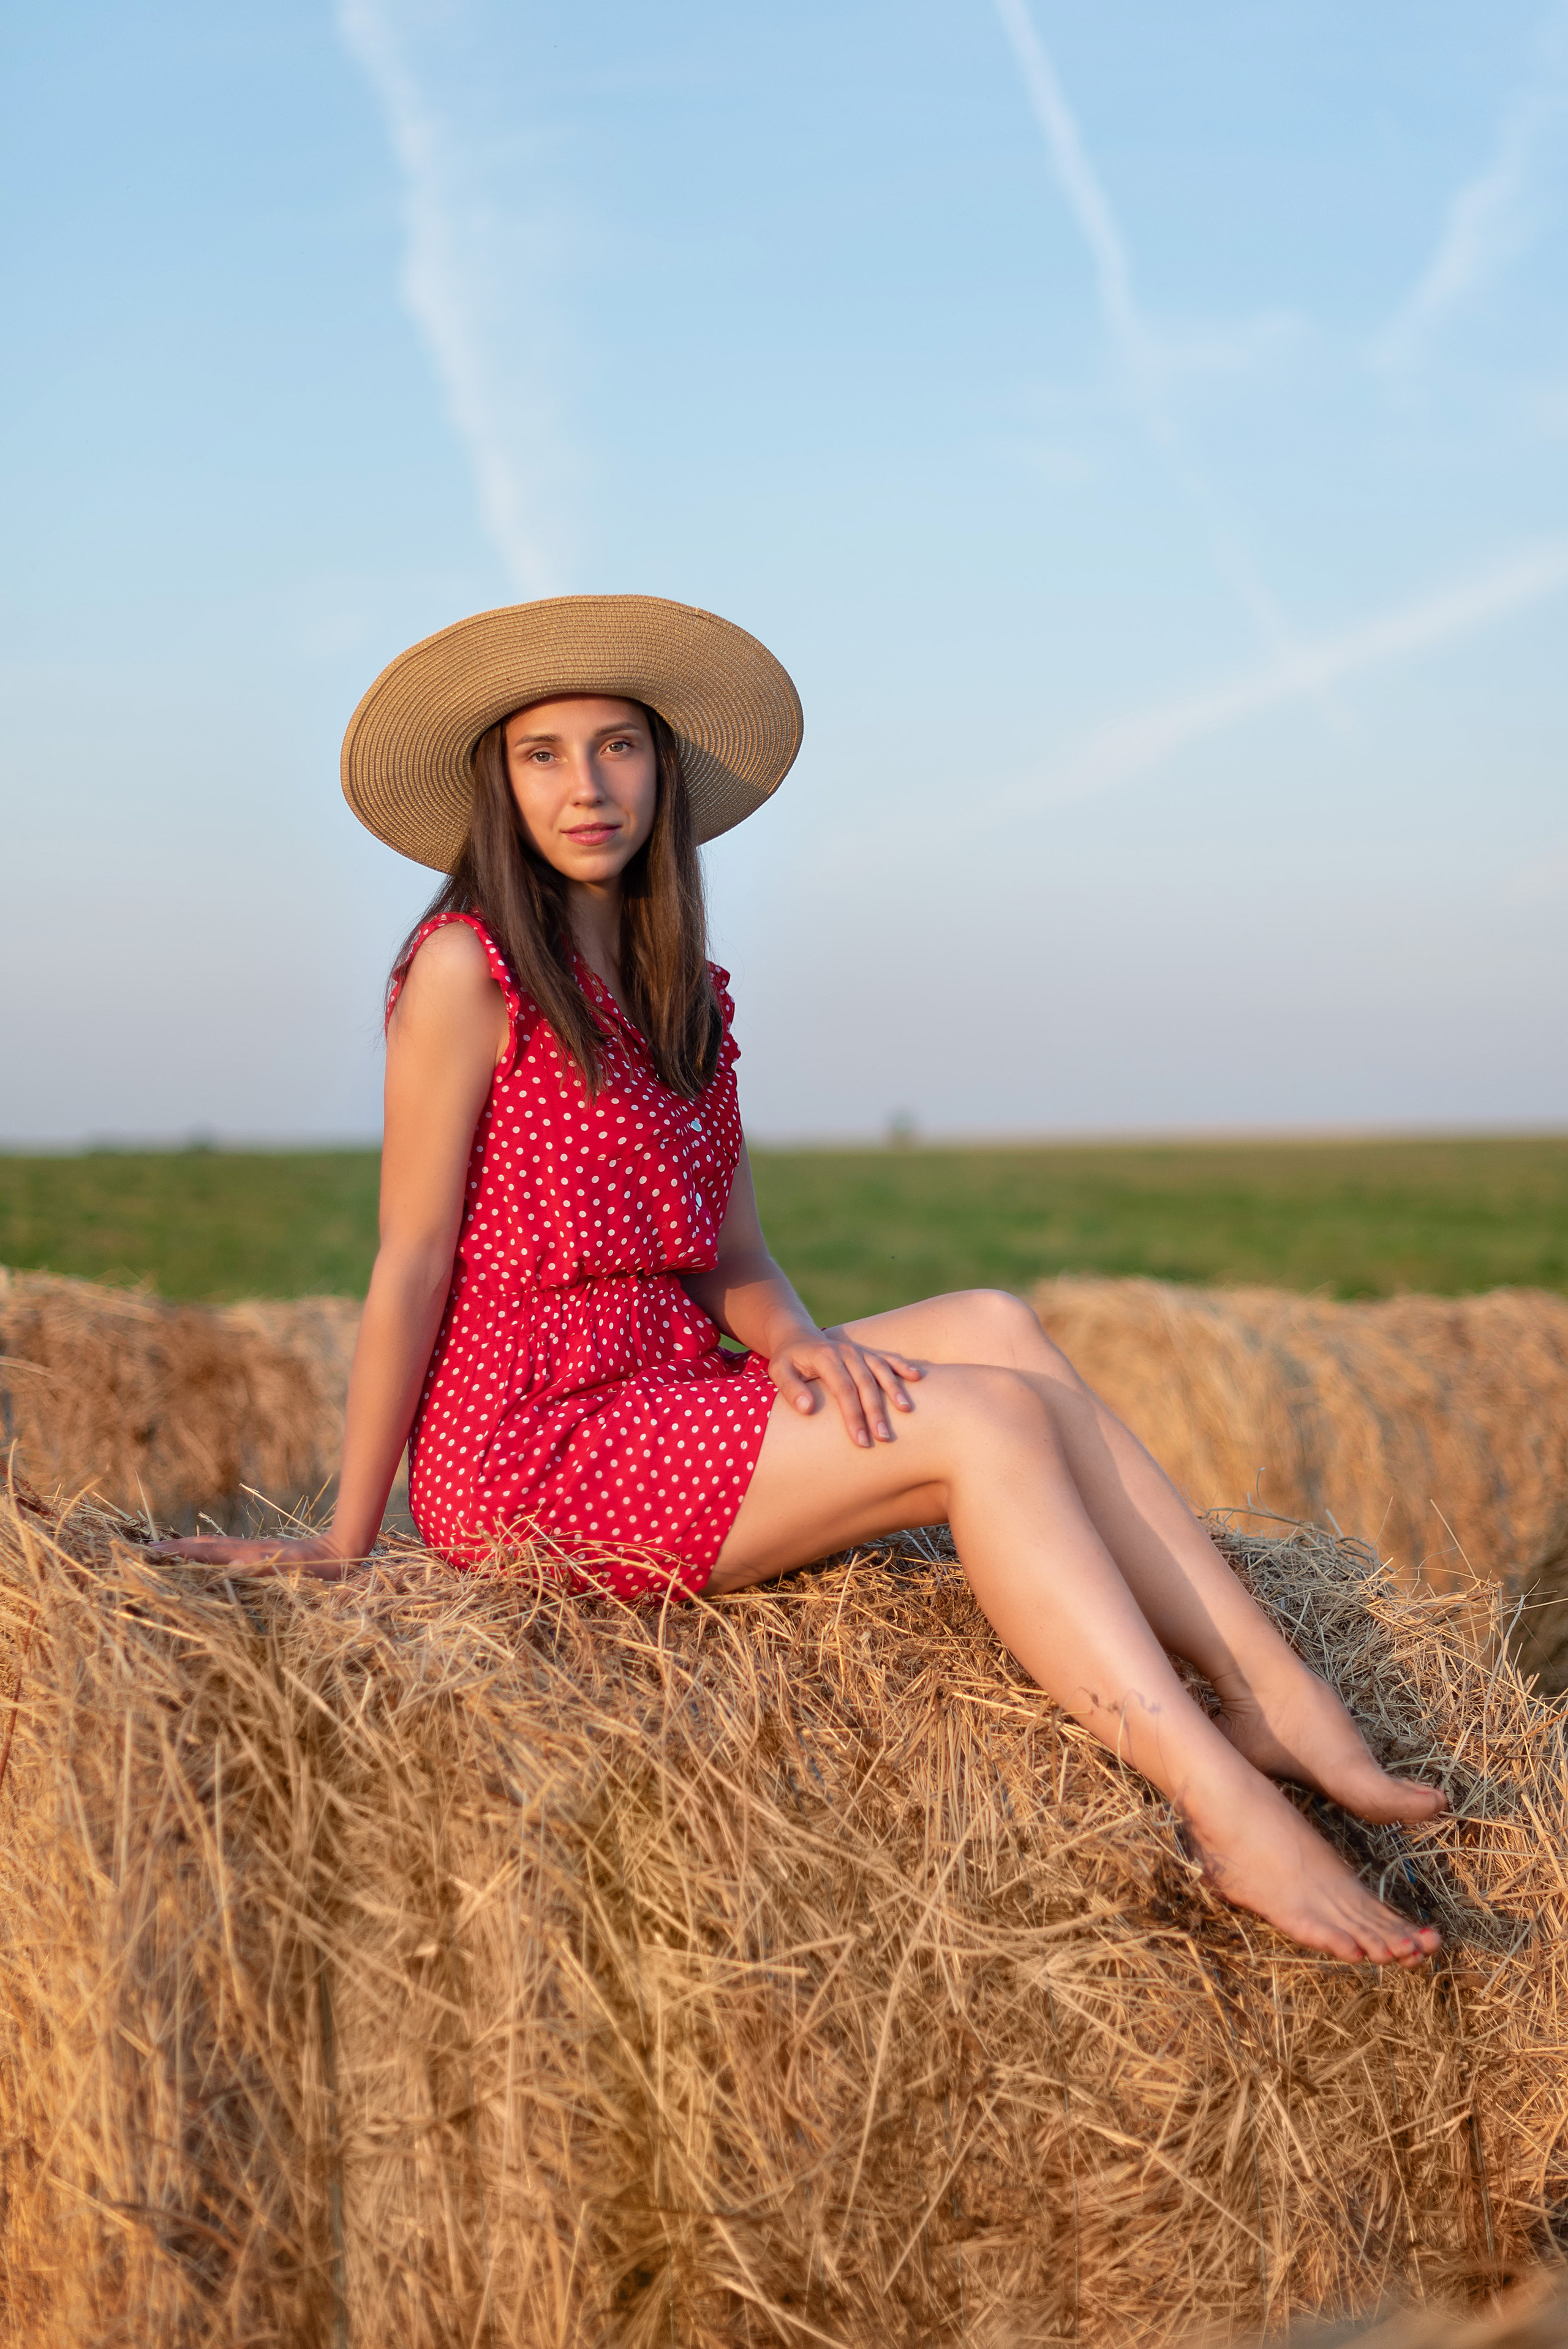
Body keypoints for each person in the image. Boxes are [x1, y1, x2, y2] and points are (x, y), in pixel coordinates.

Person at [151, 594, 1447, 1968]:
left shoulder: (681, 988)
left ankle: (1274, 1694)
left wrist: (800, 1343)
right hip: (532, 1443)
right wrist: (354, 1533)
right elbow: (409, 1259)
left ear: (665, 772)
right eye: (541, 753)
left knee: (994, 1326)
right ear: (495, 784)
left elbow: (736, 1257)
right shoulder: (471, 969)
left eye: (616, 748)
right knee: (984, 1421)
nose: (585, 786)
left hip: (661, 1383)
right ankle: (1228, 1807)